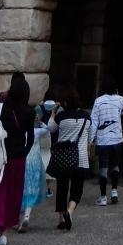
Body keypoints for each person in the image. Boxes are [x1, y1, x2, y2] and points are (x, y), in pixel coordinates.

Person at [0, 74, 34, 245]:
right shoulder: (29, 112)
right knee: (13, 194)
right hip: (17, 157)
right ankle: (3, 229)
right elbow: (30, 138)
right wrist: (24, 152)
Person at [48, 89, 91, 231]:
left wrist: (53, 113)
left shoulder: (61, 116)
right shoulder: (86, 117)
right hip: (81, 159)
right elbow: (90, 136)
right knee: (77, 189)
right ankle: (70, 211)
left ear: (65, 103)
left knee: (62, 187)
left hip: (63, 158)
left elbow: (50, 128)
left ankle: (61, 219)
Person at [90, 76, 123, 206]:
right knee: (115, 165)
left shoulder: (98, 101)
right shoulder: (120, 99)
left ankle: (103, 197)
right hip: (117, 139)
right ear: (115, 88)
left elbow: (94, 122)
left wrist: (91, 140)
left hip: (102, 140)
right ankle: (114, 191)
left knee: (103, 167)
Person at [18, 104, 49, 231]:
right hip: (35, 163)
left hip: (22, 161)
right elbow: (47, 130)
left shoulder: (20, 131)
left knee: (21, 189)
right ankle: (26, 216)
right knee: (32, 190)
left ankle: (19, 218)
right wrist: (41, 122)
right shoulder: (37, 132)